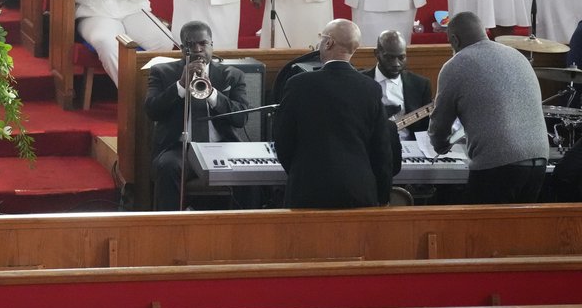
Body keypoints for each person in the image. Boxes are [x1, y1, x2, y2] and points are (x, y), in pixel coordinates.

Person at [429, 11, 550, 204]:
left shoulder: (457, 64)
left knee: (481, 231)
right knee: (518, 231)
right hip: (539, 158)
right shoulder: (517, 56)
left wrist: (440, 145)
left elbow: (439, 123)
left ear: (454, 39)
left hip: (498, 162)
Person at [274, 19, 395, 209]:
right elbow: (381, 149)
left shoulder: (298, 84)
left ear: (329, 42)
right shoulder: (370, 88)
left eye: (321, 38)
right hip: (359, 191)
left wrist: (300, 172)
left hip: (308, 190)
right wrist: (383, 195)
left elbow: (282, 141)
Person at [144, 20, 249, 210]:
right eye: (191, 45)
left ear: (211, 45)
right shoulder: (162, 72)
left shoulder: (231, 75)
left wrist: (213, 94)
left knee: (248, 170)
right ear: (182, 49)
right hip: (180, 149)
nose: (198, 49)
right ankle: (168, 230)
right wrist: (180, 86)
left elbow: (240, 119)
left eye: (203, 43)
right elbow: (152, 110)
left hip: (220, 147)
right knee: (167, 167)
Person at [361, 30, 433, 131]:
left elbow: (426, 126)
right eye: (389, 57)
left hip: (409, 144)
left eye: (401, 57)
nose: (396, 64)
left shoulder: (421, 84)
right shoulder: (359, 82)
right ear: (377, 53)